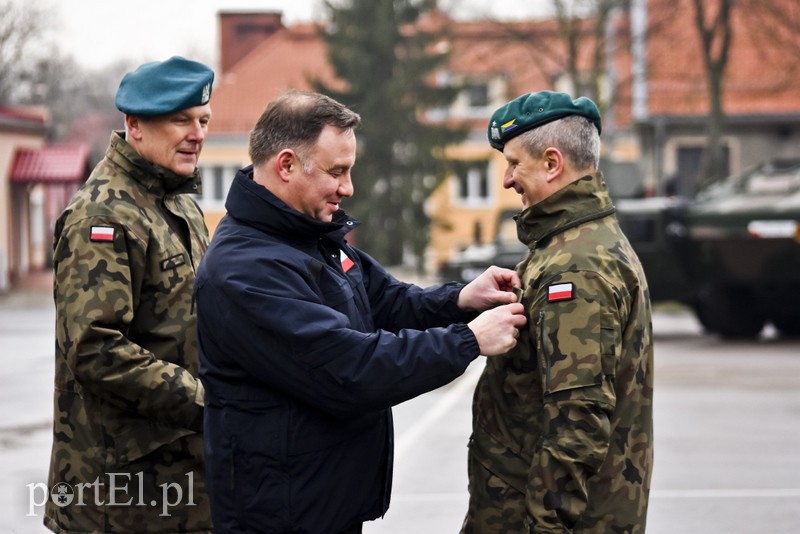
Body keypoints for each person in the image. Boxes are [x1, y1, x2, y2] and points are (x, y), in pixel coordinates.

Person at [195, 90, 528, 534]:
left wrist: (462, 300)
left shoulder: (310, 234)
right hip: (280, 515)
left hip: (324, 503)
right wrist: (468, 340)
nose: (348, 188)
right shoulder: (243, 270)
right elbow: (349, 368)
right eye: (337, 172)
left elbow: (388, 301)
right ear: (287, 165)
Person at [461, 91, 654, 533]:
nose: (507, 180)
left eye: (514, 164)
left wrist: (544, 526)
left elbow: (578, 420)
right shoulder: (574, 242)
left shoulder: (577, 265)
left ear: (552, 163)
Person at [46, 56, 215, 533]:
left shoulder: (176, 202)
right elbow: (97, 349)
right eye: (180, 120)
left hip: (181, 485)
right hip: (119, 498)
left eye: (202, 120)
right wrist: (211, 403)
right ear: (134, 125)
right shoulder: (104, 216)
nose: (197, 134)